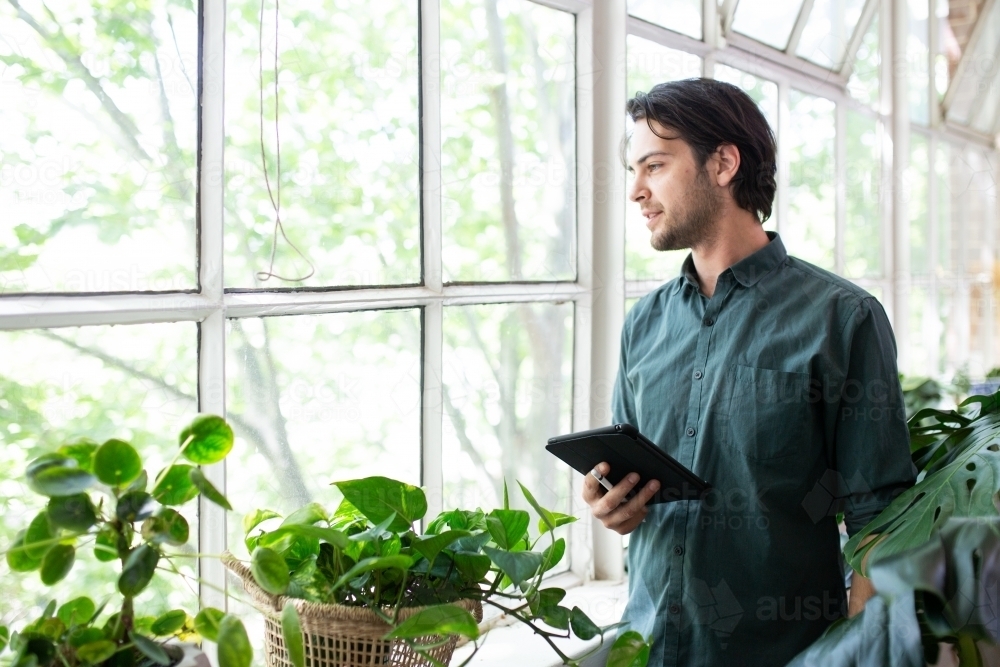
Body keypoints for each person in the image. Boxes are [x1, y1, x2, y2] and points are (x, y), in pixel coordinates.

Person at [582, 78, 916, 667]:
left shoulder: (843, 319)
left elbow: (877, 519)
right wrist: (616, 506)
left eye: (654, 166)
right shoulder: (644, 324)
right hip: (647, 648)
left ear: (724, 163)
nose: (635, 190)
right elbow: (631, 486)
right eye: (634, 170)